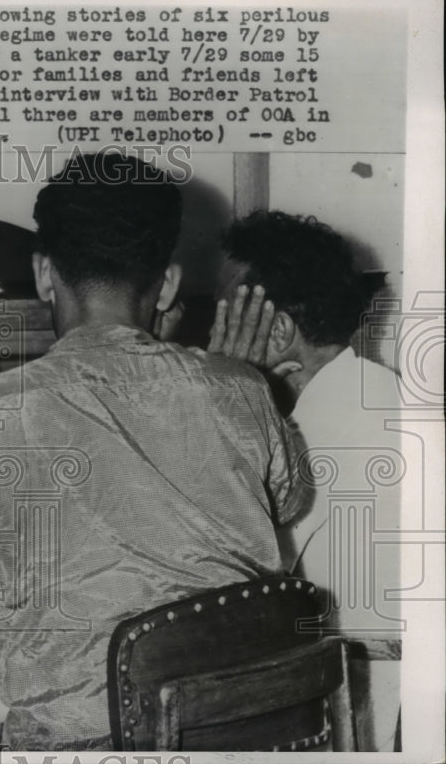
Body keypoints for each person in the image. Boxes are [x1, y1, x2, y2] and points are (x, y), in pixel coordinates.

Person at [0, 152, 310, 750]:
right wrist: (226, 380)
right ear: (165, 284)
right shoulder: (242, 391)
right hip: (257, 737)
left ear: (43, 274)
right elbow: (290, 500)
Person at [208, 210, 402, 751]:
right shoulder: (383, 394)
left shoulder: (312, 439)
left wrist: (222, 392)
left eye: (223, 314)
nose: (212, 338)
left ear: (276, 331)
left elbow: (226, 582)